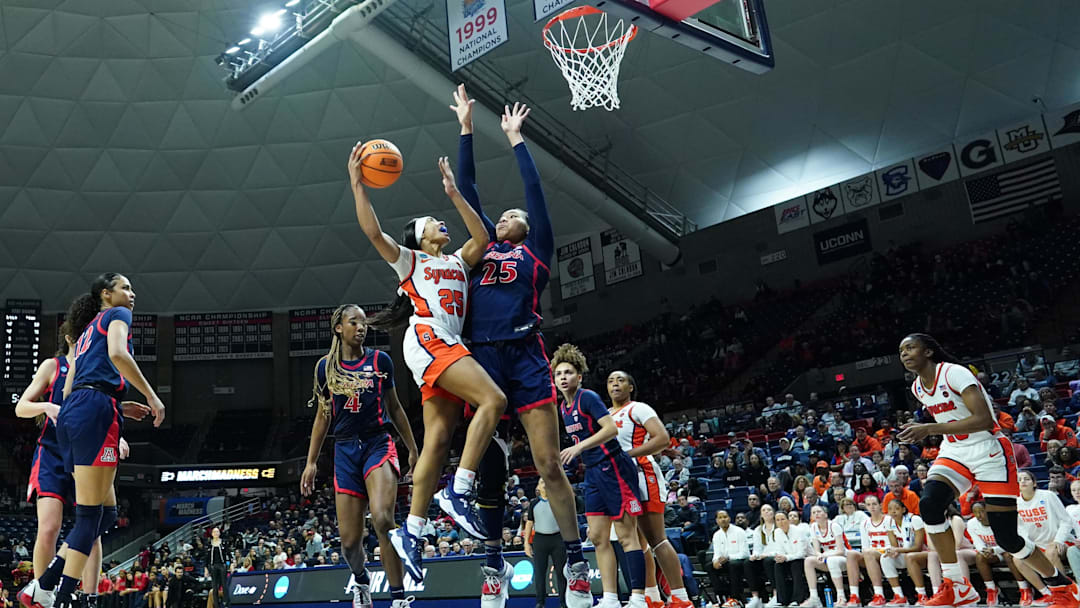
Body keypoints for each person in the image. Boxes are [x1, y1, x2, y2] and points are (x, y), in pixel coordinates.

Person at [451, 86, 590, 608]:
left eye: (513, 215)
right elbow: (466, 190)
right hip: (482, 357)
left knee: (548, 463)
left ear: (527, 230)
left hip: (526, 354)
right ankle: (493, 564)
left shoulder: (537, 250)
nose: (506, 214)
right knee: (489, 468)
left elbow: (534, 193)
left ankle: (576, 564)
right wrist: (466, 129)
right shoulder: (482, 245)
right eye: (502, 214)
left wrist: (515, 141)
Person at [349, 145, 507, 581]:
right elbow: (373, 233)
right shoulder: (411, 261)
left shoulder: (457, 260)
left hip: (444, 343)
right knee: (493, 400)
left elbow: (483, 239)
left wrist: (456, 194)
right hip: (429, 338)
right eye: (434, 221)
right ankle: (459, 490)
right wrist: (357, 185)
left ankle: (412, 532)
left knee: (437, 440)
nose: (443, 223)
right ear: (420, 236)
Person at [898, 333, 1079, 608]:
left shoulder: (955, 374)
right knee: (930, 504)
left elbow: (983, 419)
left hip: (989, 450)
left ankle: (1063, 587)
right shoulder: (918, 388)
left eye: (911, 348)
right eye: (901, 351)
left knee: (1007, 537)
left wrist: (929, 429)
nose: (905, 354)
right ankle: (957, 585)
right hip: (955, 450)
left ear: (929, 352)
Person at [20, 274, 164, 608]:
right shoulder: (117, 315)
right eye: (125, 288)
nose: (132, 293)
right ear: (106, 293)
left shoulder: (87, 334)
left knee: (104, 517)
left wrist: (112, 409)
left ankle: (51, 587)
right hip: (89, 416)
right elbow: (118, 355)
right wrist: (152, 397)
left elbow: (72, 387)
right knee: (88, 519)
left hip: (81, 415)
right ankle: (54, 595)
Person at [300, 304, 418, 608]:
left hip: (378, 443)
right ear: (339, 327)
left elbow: (395, 408)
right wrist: (311, 462)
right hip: (345, 449)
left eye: (364, 323)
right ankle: (361, 580)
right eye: (354, 322)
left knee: (382, 517)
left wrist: (414, 449)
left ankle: (399, 598)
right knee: (350, 543)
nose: (361, 327)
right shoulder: (325, 367)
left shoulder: (381, 361)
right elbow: (323, 417)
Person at [14, 322, 115, 608]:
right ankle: (42, 594)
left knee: (91, 527)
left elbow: (106, 411)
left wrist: (116, 437)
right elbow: (21, 407)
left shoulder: (98, 369)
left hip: (87, 455)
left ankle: (89, 597)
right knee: (49, 527)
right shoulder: (53, 366)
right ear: (71, 338)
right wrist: (46, 406)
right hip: (52, 454)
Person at [552, 344, 646, 608]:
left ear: (579, 376)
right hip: (593, 472)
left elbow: (610, 430)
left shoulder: (588, 397)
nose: (563, 378)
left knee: (627, 536)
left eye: (568, 372)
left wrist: (579, 447)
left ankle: (639, 598)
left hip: (614, 466)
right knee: (596, 536)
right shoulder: (563, 407)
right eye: (558, 374)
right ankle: (611, 598)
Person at [606, 371, 692, 608]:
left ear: (631, 386)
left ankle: (681, 598)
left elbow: (662, 439)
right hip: (619, 480)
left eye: (620, 380)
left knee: (656, 539)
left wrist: (626, 456)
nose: (615, 383)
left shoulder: (639, 408)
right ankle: (652, 597)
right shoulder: (604, 415)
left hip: (644, 475)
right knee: (637, 543)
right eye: (611, 381)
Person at [845, 495, 904, 607]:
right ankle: (854, 596)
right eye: (868, 505)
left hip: (888, 552)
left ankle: (879, 595)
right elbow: (865, 546)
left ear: (880, 505)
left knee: (869, 553)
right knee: (851, 554)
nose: (871, 507)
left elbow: (896, 541)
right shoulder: (865, 523)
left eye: (874, 504)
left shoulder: (889, 519)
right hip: (871, 554)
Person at [968, 501, 1031, 607]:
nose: (979, 515)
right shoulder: (971, 523)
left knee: (1008, 555)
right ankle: (992, 589)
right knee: (980, 556)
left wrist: (994, 550)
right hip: (993, 554)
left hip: (1008, 549)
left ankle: (1025, 588)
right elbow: (977, 543)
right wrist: (984, 551)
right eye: (975, 512)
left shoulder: (1000, 520)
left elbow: (1010, 542)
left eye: (982, 511)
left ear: (988, 510)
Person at [524, 479, 567, 608]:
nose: (545, 484)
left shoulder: (558, 500)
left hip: (557, 539)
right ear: (538, 487)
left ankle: (564, 602)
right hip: (540, 540)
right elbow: (529, 523)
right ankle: (540, 602)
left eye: (547, 482)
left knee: (561, 572)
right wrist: (526, 543)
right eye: (542, 482)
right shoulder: (534, 503)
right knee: (539, 572)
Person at [800, 506, 849, 608]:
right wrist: (819, 555)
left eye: (819, 511)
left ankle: (841, 597)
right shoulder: (813, 527)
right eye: (814, 512)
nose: (816, 514)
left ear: (825, 514)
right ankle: (814, 598)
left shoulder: (834, 526)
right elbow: (817, 550)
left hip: (845, 558)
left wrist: (825, 555)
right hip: (828, 558)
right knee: (809, 561)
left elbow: (841, 550)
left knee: (832, 561)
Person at [708, 510, 751, 608]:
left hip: (740, 561)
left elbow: (745, 553)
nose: (723, 519)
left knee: (733, 564)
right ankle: (721, 596)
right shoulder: (716, 535)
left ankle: (735, 598)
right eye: (720, 517)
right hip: (726, 562)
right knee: (710, 566)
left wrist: (728, 557)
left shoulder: (739, 532)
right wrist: (715, 561)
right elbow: (717, 553)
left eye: (725, 517)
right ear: (716, 520)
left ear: (729, 518)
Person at [204, 528, 228, 608]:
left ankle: (226, 603)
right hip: (213, 566)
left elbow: (228, 554)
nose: (216, 533)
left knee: (224, 585)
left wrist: (230, 564)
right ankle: (216, 604)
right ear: (212, 534)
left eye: (217, 531)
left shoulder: (223, 542)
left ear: (219, 533)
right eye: (214, 531)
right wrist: (206, 569)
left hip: (222, 565)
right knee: (215, 587)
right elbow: (206, 558)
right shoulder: (209, 544)